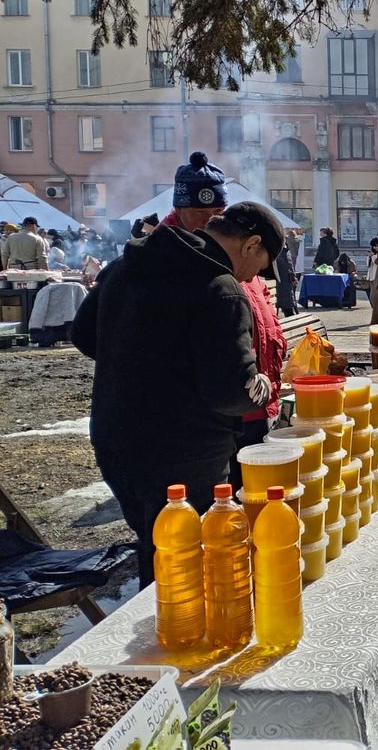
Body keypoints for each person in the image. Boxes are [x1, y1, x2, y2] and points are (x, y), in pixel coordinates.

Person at [71, 202, 283, 586]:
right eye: (262, 265)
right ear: (251, 244)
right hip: (187, 449)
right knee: (189, 562)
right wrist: (265, 387)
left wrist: (142, 364)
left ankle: (156, 624)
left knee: (157, 545)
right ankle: (179, 636)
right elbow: (232, 390)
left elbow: (84, 334)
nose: (256, 276)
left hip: (116, 437)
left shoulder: (127, 266)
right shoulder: (220, 289)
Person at [160, 160, 286, 490]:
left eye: (217, 210)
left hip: (252, 403)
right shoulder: (169, 262)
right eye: (198, 211)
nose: (209, 220)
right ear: (178, 208)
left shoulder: (234, 253)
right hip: (209, 420)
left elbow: (261, 318)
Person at [274, 240, 298, 317]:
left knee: (288, 302)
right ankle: (290, 313)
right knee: (287, 302)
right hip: (284, 284)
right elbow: (289, 267)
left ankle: (290, 313)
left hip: (285, 283)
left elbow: (289, 267)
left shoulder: (283, 252)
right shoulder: (284, 252)